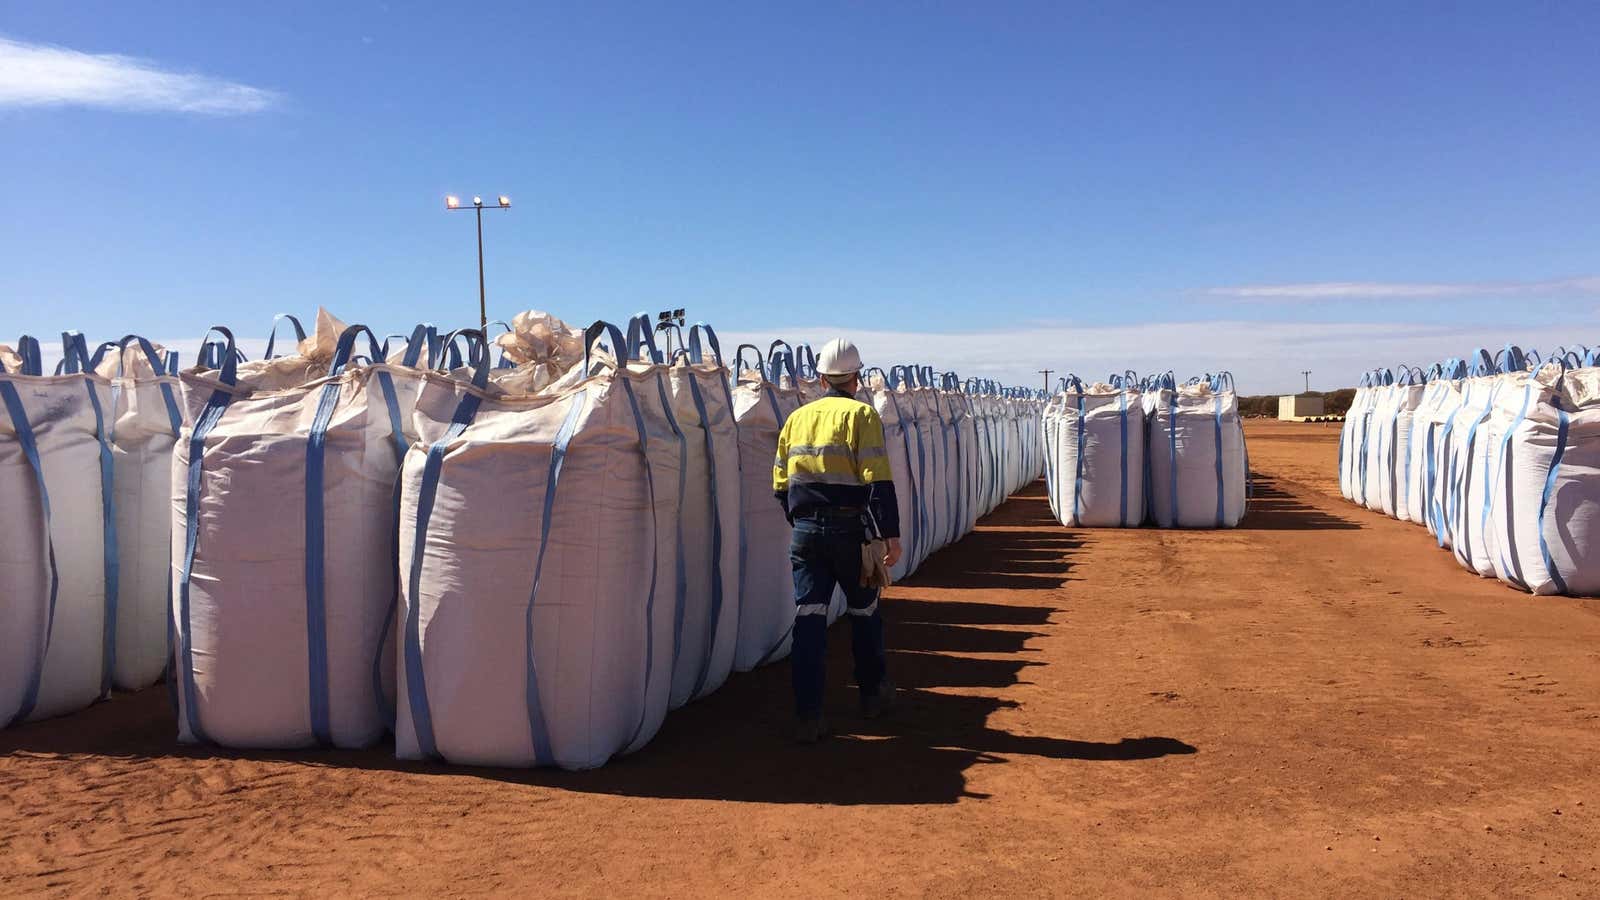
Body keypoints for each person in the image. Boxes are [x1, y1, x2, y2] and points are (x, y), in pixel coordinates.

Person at [772, 337, 902, 743]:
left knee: (808, 621)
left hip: (806, 534)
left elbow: (780, 484)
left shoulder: (797, 418)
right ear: (856, 376)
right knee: (864, 614)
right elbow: (877, 479)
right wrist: (890, 536)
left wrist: (803, 522)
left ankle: (808, 715)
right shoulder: (862, 416)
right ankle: (872, 695)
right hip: (852, 534)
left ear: (821, 376)